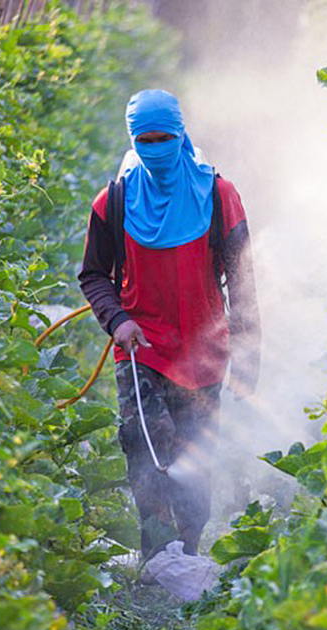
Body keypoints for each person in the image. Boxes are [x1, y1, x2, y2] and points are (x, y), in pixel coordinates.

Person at [78, 89, 260, 572]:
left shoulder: (219, 197)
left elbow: (242, 280)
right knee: (145, 442)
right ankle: (157, 556)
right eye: (145, 140)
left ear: (181, 135)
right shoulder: (113, 202)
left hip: (204, 354)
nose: (156, 148)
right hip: (141, 351)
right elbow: (93, 274)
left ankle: (188, 553)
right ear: (133, 140)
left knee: (194, 458)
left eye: (164, 138)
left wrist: (247, 356)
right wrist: (118, 320)